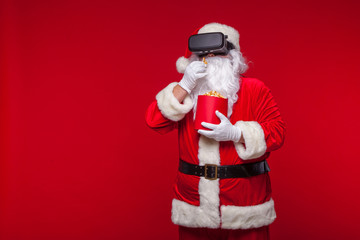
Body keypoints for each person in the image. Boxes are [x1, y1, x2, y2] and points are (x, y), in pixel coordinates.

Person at [145, 22, 285, 240]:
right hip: (194, 203)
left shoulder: (254, 89)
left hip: (244, 203)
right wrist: (184, 84)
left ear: (233, 56)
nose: (210, 57)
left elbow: (277, 133)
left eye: (217, 52)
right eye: (204, 53)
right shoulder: (185, 90)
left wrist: (237, 133)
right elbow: (154, 121)